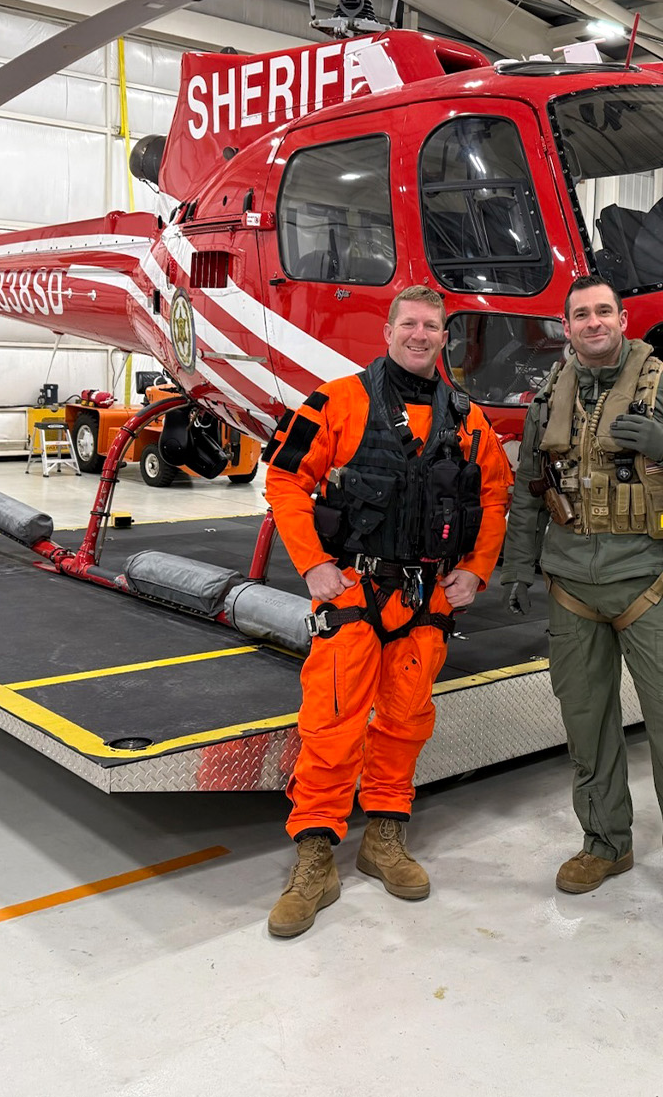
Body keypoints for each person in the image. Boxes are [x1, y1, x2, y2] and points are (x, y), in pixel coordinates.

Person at [500, 275, 663, 947]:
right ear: (567, 324)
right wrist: (519, 563)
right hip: (569, 588)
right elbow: (530, 487)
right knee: (588, 730)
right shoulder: (550, 393)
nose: (593, 322)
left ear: (622, 317)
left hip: (648, 581)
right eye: (580, 314)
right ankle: (605, 841)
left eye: (603, 311)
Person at [260, 285, 513, 938]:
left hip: (426, 598)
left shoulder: (466, 417)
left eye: (432, 326)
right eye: (411, 323)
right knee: (332, 723)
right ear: (389, 329)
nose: (421, 334)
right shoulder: (339, 400)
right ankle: (315, 858)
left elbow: (494, 493)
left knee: (406, 721)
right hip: (351, 592)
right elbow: (286, 477)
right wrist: (314, 563)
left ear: (442, 337)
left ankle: (385, 839)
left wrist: (477, 570)